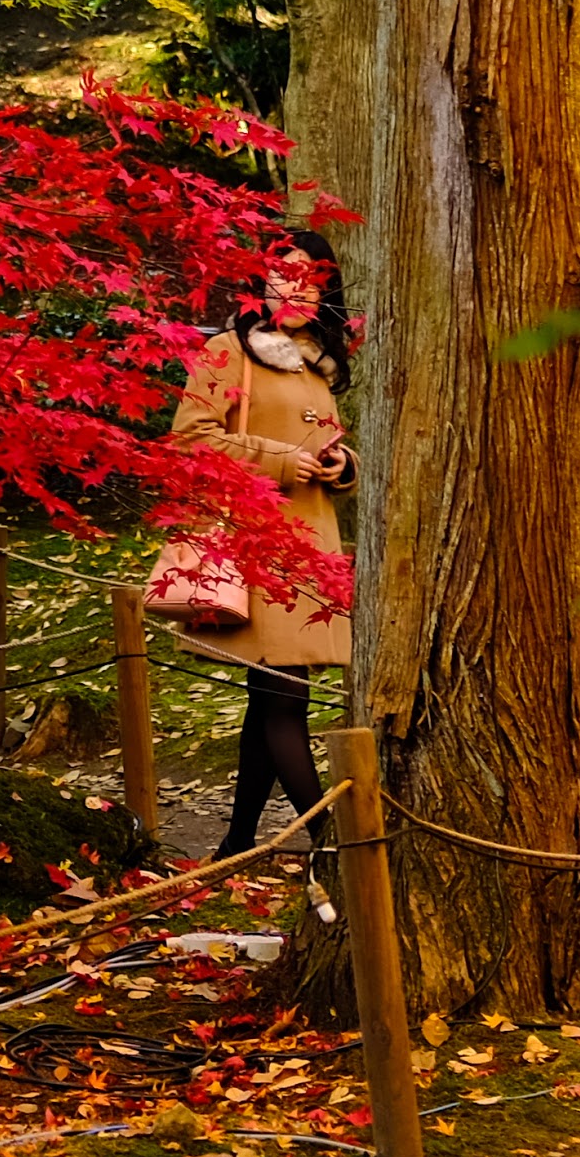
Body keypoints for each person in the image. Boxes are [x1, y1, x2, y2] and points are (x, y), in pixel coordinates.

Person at [166, 229, 357, 853]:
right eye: (282, 273)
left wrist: (341, 465)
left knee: (271, 699)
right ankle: (332, 845)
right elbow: (190, 440)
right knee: (284, 699)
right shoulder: (227, 351)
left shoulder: (316, 362)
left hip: (311, 548)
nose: (295, 286)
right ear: (260, 281)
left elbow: (323, 446)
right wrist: (276, 461)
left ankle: (238, 841)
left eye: (310, 277)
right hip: (256, 547)